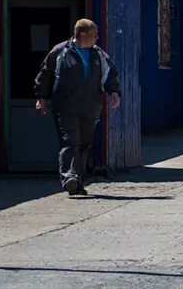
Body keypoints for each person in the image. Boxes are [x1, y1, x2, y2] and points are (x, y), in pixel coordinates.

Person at [34, 19, 121, 196]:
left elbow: (110, 74)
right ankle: (69, 178)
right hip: (66, 106)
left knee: (84, 144)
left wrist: (114, 92)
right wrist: (41, 98)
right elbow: (45, 74)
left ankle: (79, 182)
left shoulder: (99, 55)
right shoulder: (60, 52)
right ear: (82, 35)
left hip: (90, 106)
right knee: (70, 141)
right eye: (94, 35)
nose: (97, 38)